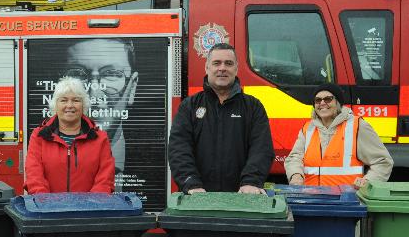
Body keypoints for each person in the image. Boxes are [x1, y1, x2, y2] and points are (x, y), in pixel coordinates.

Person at [168, 42, 274, 194]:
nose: (222, 68)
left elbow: (261, 148)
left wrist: (251, 182)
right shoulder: (189, 106)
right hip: (197, 198)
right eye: (216, 63)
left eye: (228, 63)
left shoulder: (253, 107)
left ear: (236, 69)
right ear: (207, 67)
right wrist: (190, 183)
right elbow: (179, 148)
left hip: (242, 197)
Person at [284, 83, 393, 188]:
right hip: (311, 199)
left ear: (338, 103)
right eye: (317, 100)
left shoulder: (357, 126)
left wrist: (368, 181)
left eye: (328, 99)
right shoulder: (308, 128)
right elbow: (294, 158)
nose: (322, 103)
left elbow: (383, 162)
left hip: (346, 202)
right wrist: (295, 175)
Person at [25, 77, 115, 193]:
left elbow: (105, 179)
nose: (70, 105)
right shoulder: (39, 136)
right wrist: (46, 203)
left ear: (83, 105)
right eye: (63, 100)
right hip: (48, 208)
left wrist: (92, 205)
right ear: (55, 105)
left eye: (76, 100)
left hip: (89, 209)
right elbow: (34, 176)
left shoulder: (100, 138)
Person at [62, 38, 137, 175]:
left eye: (111, 74)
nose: (94, 97)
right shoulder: (43, 144)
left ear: (132, 87)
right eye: (78, 74)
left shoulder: (155, 165)